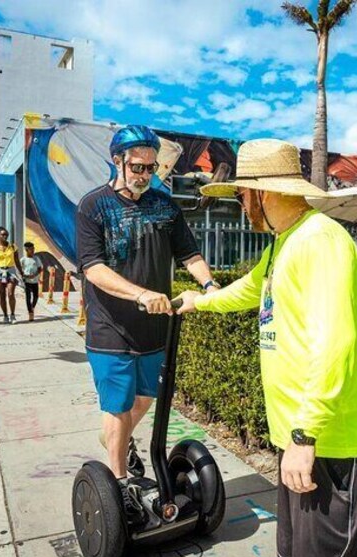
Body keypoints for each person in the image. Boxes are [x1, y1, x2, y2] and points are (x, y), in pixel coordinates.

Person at [176, 139, 357, 557]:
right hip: (301, 440)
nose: (239, 203)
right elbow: (250, 290)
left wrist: (305, 435)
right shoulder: (283, 243)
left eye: (241, 193)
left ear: (263, 192)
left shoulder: (321, 240)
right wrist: (200, 300)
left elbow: (335, 342)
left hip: (330, 446)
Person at [76, 125, 218, 517]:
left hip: (156, 328)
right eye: (137, 166)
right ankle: (120, 485)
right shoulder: (94, 206)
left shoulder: (165, 205)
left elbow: (188, 254)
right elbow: (93, 268)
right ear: (117, 160)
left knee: (144, 399)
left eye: (150, 168)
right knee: (119, 407)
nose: (144, 175)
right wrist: (140, 294)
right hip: (111, 327)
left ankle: (115, 439)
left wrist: (209, 284)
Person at [0, 227, 23, 324]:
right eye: (2, 234)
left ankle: (12, 314)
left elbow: (17, 260)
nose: (5, 236)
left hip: (10, 271)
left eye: (6, 234)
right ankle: (5, 315)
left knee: (11, 294)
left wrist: (21, 272)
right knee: (2, 295)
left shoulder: (12, 247)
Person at [20, 241, 43, 321]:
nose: (33, 250)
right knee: (28, 297)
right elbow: (20, 270)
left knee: (36, 296)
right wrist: (24, 276)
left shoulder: (36, 259)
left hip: (35, 281)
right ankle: (30, 313)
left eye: (33, 249)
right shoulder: (23, 260)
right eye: (31, 249)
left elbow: (40, 269)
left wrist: (35, 275)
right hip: (27, 282)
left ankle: (32, 307)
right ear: (26, 250)